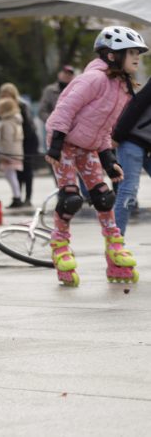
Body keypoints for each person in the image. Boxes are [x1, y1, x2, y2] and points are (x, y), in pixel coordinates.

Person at [45, 27, 146, 287]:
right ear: (112, 56)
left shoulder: (121, 88)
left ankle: (115, 252)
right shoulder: (93, 79)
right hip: (65, 143)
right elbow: (64, 109)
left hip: (89, 147)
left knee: (104, 195)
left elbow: (103, 129)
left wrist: (109, 160)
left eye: (139, 53)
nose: (137, 58)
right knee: (70, 198)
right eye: (132, 52)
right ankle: (60, 247)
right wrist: (55, 145)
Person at [111, 76, 151, 236]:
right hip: (133, 140)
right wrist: (118, 135)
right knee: (128, 191)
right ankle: (116, 241)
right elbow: (137, 104)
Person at [0, 83, 38, 206]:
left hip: (27, 141)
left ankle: (27, 198)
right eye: (3, 94)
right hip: (17, 142)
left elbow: (28, 127)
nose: (5, 97)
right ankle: (18, 197)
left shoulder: (21, 105)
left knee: (27, 170)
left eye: (8, 94)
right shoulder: (6, 106)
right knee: (17, 171)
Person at [0, 97, 24, 208]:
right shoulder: (16, 120)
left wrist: (4, 154)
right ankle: (17, 196)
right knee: (11, 175)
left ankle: (17, 197)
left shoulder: (7, 122)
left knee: (10, 175)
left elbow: (7, 140)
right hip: (16, 151)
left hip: (9, 153)